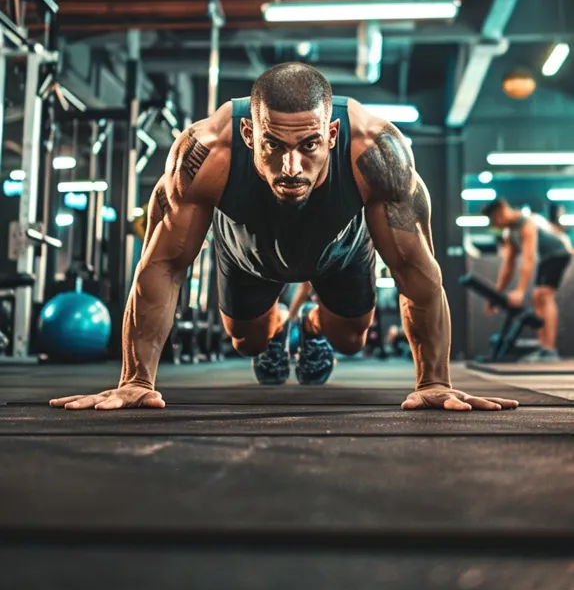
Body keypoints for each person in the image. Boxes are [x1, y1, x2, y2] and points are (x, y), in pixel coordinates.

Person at [51, 63, 517, 413]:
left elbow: (417, 273)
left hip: (342, 250)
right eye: (274, 145)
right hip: (248, 254)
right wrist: (136, 378)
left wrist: (433, 381)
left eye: (309, 145)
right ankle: (276, 330)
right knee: (246, 343)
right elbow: (163, 265)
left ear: (332, 134)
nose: (291, 168)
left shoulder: (375, 152)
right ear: (250, 133)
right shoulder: (207, 152)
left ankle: (311, 326)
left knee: (351, 339)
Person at [481, 197, 572, 362]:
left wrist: (520, 291)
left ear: (502, 210)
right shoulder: (510, 233)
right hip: (546, 258)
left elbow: (529, 260)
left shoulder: (526, 224)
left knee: (544, 295)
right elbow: (508, 267)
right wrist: (495, 295)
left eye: (493, 219)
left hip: (559, 254)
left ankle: (550, 350)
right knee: (537, 297)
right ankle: (544, 348)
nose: (493, 224)